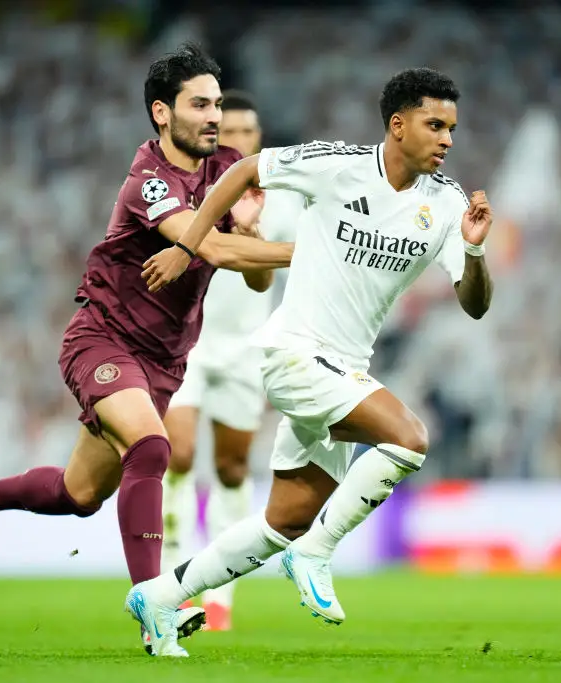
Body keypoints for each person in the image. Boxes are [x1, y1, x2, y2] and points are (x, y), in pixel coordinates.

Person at [0, 43, 293, 656]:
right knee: (154, 446)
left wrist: (257, 234)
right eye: (199, 105)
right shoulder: (148, 181)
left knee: (79, 495)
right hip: (103, 338)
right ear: (162, 113)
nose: (214, 116)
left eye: (217, 103)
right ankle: (156, 606)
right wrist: (304, 254)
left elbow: (252, 275)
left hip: (163, 360)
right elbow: (208, 249)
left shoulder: (227, 167)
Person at [125, 67, 494, 656]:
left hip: (344, 368)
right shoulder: (338, 164)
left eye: (452, 127)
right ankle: (318, 553)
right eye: (435, 124)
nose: (448, 138)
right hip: (295, 352)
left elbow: (474, 304)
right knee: (409, 438)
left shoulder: (447, 204)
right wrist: (187, 244)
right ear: (398, 126)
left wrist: (473, 249)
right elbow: (246, 169)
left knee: (284, 520)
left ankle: (162, 596)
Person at [160, 90, 305, 631]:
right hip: (187, 343)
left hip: (246, 347)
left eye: (248, 132)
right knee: (177, 453)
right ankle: (171, 576)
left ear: (259, 140)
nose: (238, 140)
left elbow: (265, 279)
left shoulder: (283, 200)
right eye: (230, 132)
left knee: (231, 467)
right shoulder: (188, 188)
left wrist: (252, 235)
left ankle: (220, 590)